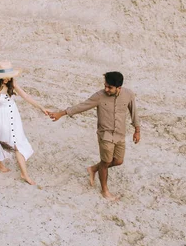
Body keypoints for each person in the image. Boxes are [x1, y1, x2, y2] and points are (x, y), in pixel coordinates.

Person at [49, 72, 140, 201]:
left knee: (118, 161)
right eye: (105, 86)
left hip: (120, 134)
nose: (106, 89)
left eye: (110, 87)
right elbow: (82, 106)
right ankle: (105, 191)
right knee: (106, 162)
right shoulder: (99, 96)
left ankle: (92, 169)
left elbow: (134, 112)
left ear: (118, 88)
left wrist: (137, 130)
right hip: (105, 135)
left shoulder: (128, 95)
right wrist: (61, 113)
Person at [0, 61, 49, 185]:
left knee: (17, 142)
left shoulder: (12, 83)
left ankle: (22, 173)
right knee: (6, 141)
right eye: (5, 77)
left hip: (14, 117)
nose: (8, 79)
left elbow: (26, 96)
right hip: (1, 119)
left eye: (9, 76)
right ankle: (2, 164)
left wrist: (41, 107)